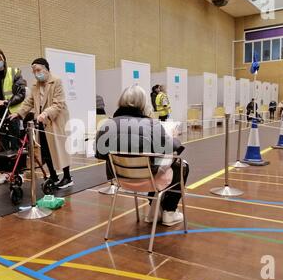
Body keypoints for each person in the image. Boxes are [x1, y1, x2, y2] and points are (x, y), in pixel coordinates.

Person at [95, 85, 188, 227]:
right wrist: (174, 138)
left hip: (121, 181)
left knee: (153, 164)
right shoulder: (152, 125)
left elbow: (100, 154)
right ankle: (169, 211)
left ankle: (155, 209)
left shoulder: (106, 125)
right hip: (148, 179)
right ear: (144, 103)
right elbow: (170, 148)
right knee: (181, 165)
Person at [10, 58, 73, 189]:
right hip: (41, 122)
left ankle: (67, 177)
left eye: (38, 70)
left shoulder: (57, 81)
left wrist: (45, 113)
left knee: (60, 149)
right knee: (45, 150)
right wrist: (19, 113)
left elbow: (58, 103)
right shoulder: (35, 85)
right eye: (34, 71)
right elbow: (29, 102)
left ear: (46, 69)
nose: (36, 73)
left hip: (56, 121)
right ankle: (54, 176)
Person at [0, 48, 26, 185]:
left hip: (12, 113)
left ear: (4, 59)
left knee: (14, 144)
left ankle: (18, 172)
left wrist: (6, 102)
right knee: (1, 144)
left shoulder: (14, 73)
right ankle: (4, 173)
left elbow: (21, 94)